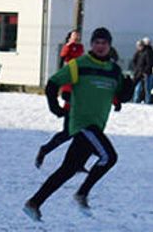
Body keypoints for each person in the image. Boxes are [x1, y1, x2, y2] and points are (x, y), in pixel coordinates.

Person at [24, 26, 131, 221]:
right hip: (83, 125)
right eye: (97, 42)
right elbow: (53, 83)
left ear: (109, 46)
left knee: (68, 169)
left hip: (96, 127)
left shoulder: (114, 71)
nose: (100, 46)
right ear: (91, 44)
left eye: (104, 43)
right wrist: (54, 106)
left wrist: (126, 92)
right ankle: (81, 193)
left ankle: (34, 203)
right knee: (109, 157)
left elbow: (120, 95)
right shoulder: (79, 64)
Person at [35, 29, 85, 168]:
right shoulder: (67, 49)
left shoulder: (80, 48)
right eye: (74, 35)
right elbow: (62, 61)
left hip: (78, 90)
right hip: (70, 90)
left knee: (78, 131)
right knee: (70, 132)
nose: (77, 37)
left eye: (78, 36)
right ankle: (45, 149)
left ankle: (78, 163)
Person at [130, 37, 151, 105]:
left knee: (146, 88)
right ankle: (137, 100)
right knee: (139, 87)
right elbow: (134, 61)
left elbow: (149, 63)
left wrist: (144, 71)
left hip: (145, 73)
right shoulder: (139, 52)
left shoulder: (147, 52)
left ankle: (146, 100)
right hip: (139, 72)